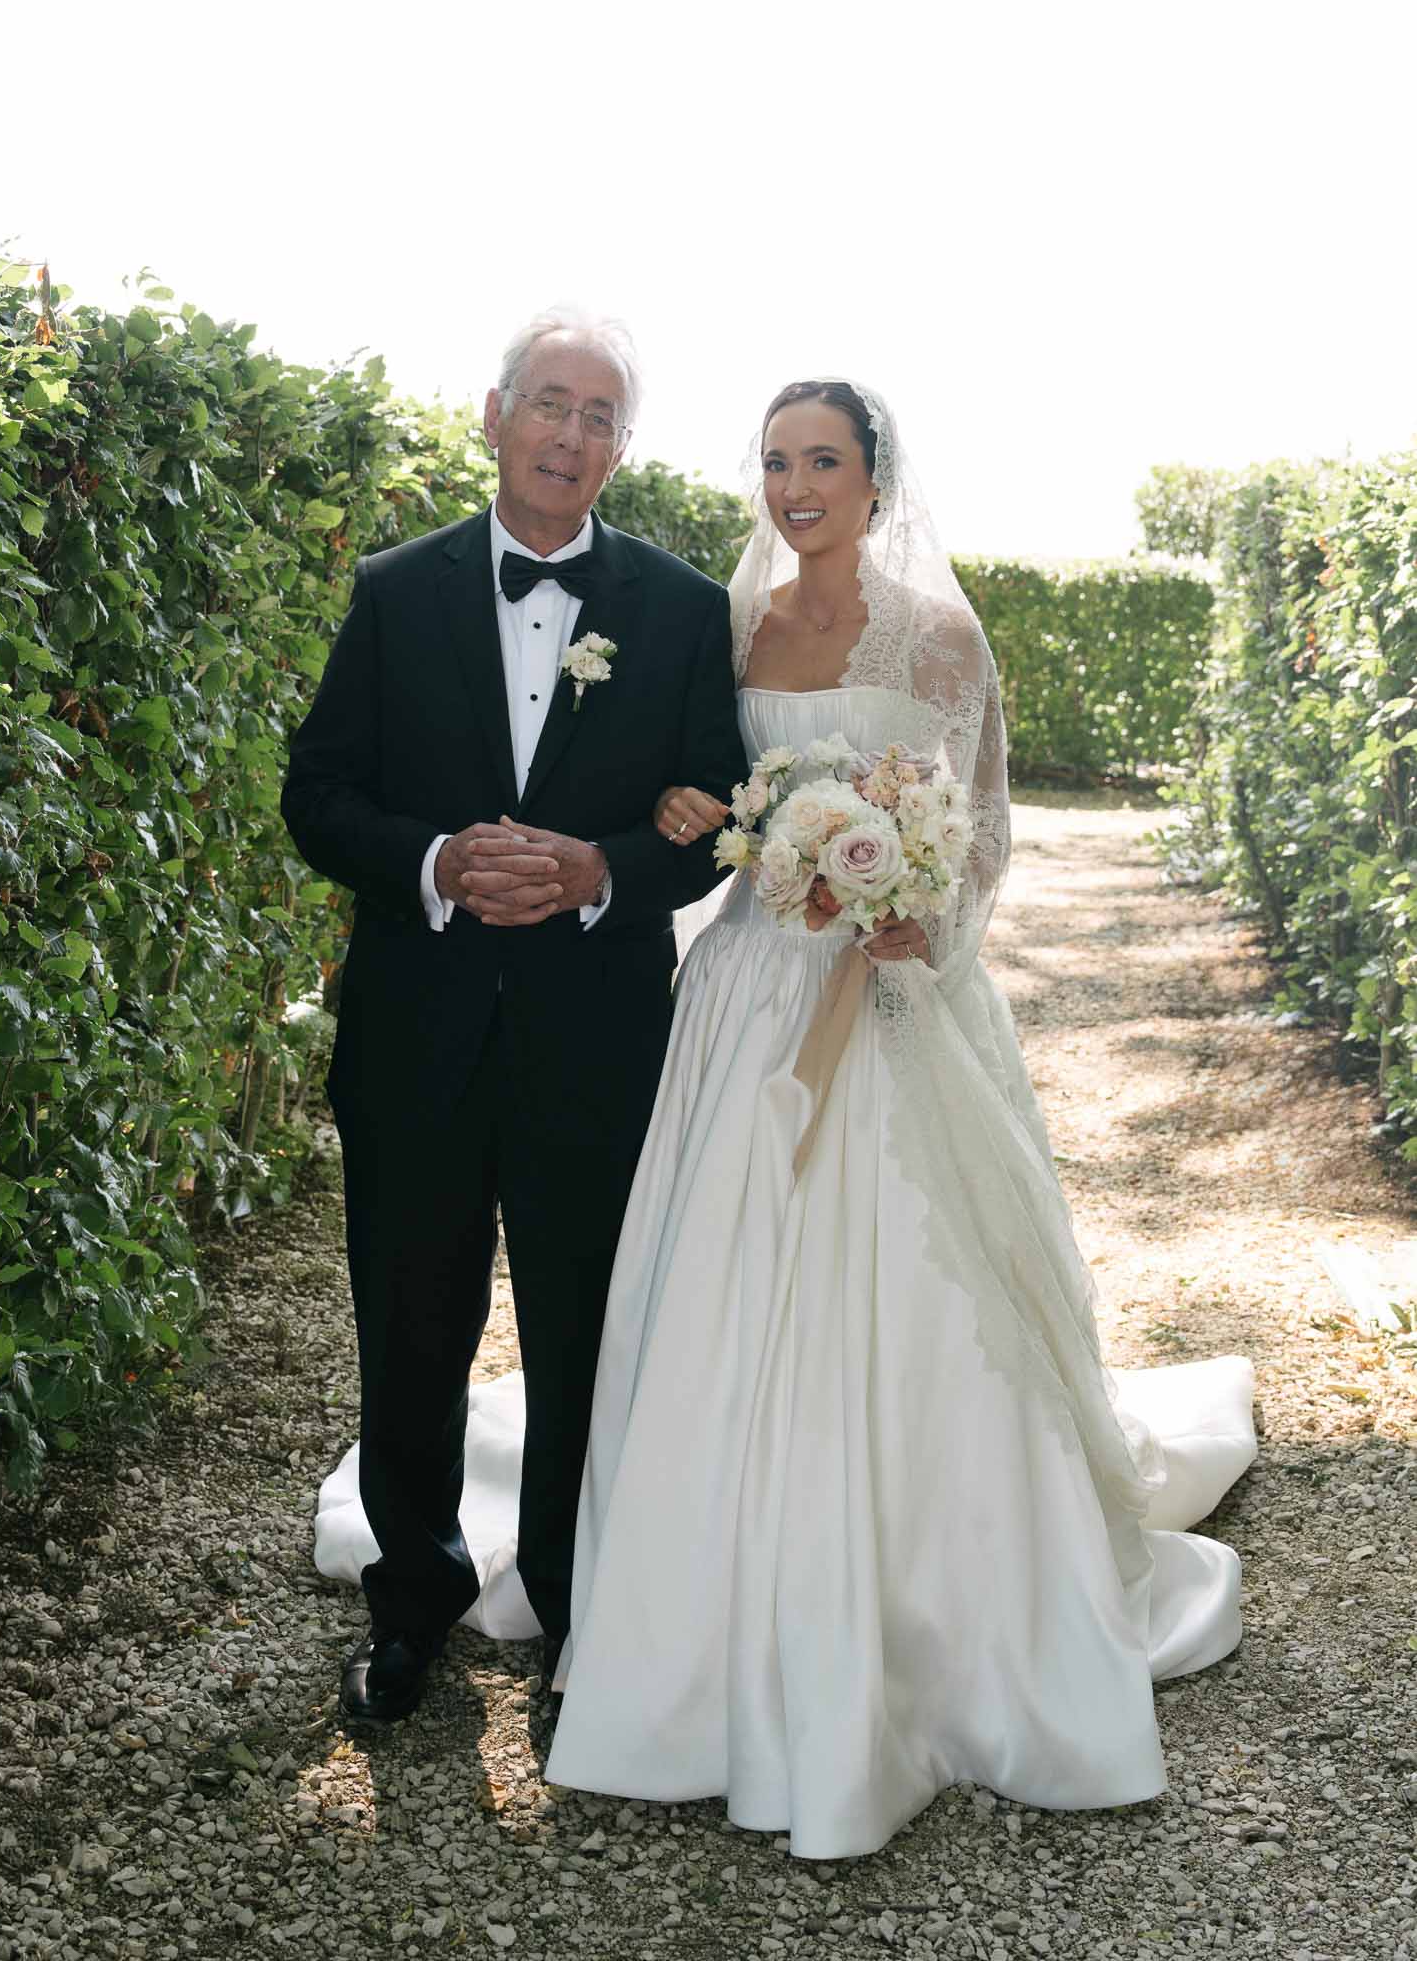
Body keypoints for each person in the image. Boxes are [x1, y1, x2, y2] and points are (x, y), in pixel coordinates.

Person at [540, 379, 1256, 1857]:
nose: (796, 485)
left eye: (824, 461)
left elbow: (979, 819)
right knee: (721, 1281)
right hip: (749, 985)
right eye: (778, 462)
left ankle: (939, 1618)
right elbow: (705, 783)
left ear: (876, 477)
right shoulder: (727, 626)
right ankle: (693, 1614)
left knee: (908, 1291)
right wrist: (697, 815)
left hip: (886, 987)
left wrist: (916, 915)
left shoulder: (934, 632)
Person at [283, 307, 746, 1722]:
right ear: (495, 416)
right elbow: (319, 797)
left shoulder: (681, 609)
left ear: (622, 447)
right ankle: (410, 1608)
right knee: (411, 1335)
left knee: (584, 1339)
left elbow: (726, 815)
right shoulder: (396, 591)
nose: (571, 435)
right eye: (550, 404)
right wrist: (433, 862)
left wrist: (607, 869)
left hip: (595, 1048)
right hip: (417, 1040)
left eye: (601, 417)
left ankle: (572, 1619)